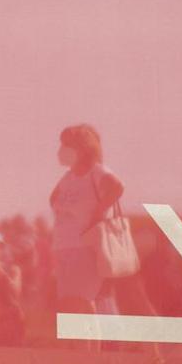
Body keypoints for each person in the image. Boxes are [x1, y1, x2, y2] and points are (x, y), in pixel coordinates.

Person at [44, 123, 123, 315]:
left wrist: (97, 214)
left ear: (81, 149)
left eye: (66, 145)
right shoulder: (68, 176)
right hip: (64, 246)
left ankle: (89, 345)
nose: (61, 151)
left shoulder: (96, 171)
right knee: (69, 302)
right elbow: (53, 198)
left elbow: (117, 187)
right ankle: (79, 345)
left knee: (83, 300)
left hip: (85, 246)